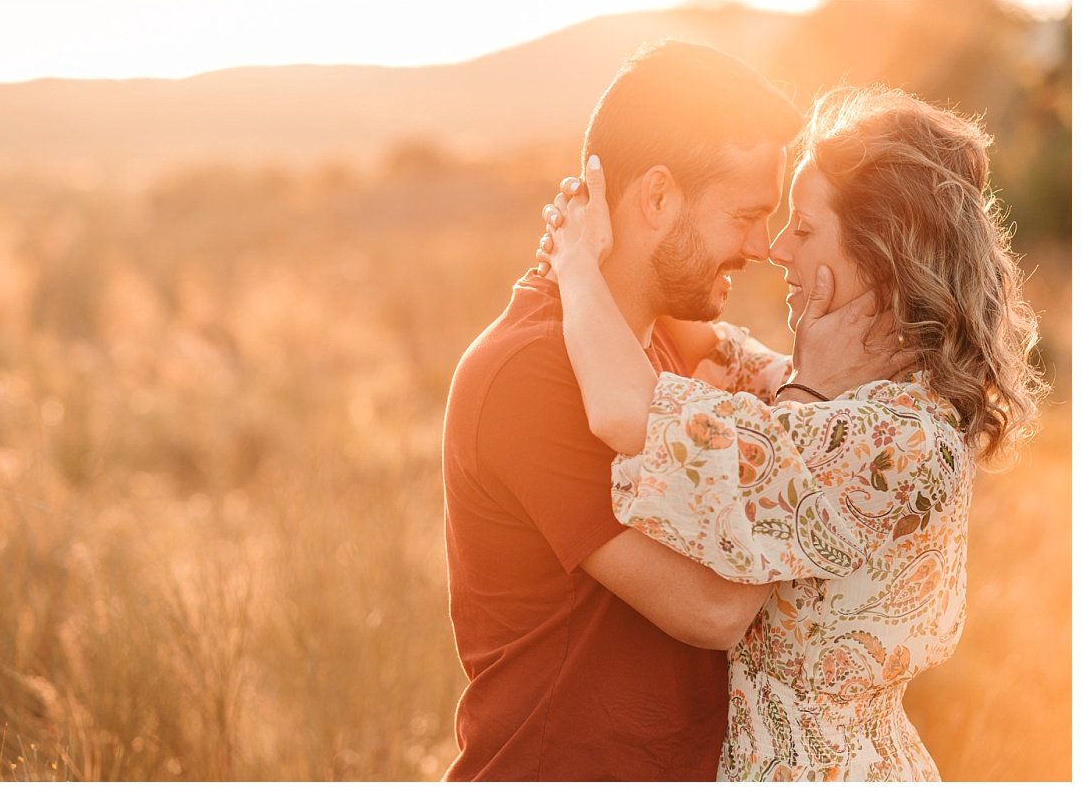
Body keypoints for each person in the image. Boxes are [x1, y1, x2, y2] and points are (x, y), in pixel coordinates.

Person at [537, 84, 1047, 781]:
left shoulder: (889, 440)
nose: (776, 248)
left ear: (878, 258)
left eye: (803, 229)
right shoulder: (873, 399)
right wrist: (633, 244)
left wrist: (572, 266)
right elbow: (726, 352)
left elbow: (629, 411)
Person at [440, 40, 891, 781]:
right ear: (656, 198)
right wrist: (801, 425)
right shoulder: (531, 373)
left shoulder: (670, 338)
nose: (763, 246)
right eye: (746, 214)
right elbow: (713, 607)